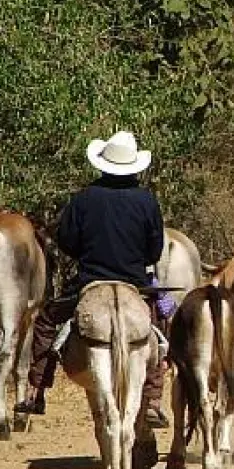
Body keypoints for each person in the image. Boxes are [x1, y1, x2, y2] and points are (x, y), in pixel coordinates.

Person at [15, 130, 166, 424]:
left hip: (89, 282)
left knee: (46, 321)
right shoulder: (147, 201)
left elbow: (68, 240)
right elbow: (154, 251)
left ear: (102, 165)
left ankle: (37, 391)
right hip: (134, 283)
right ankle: (153, 397)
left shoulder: (84, 199)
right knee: (159, 326)